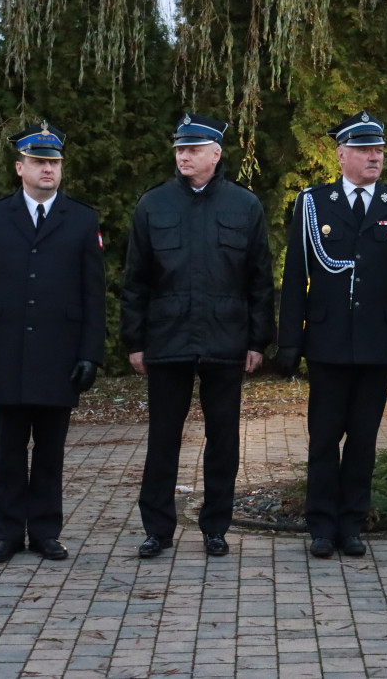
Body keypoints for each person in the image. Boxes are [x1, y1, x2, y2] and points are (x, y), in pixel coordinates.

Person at [121, 113, 274, 558]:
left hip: (226, 339)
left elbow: (259, 279)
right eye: (179, 149)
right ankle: (157, 529)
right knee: (162, 438)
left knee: (223, 439)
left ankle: (215, 527)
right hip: (167, 339)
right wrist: (135, 341)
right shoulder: (153, 204)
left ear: (215, 154)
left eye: (192, 149)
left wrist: (257, 340)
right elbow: (136, 280)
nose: (183, 156)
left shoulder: (244, 205)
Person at [275, 110, 387, 558]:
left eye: (378, 149)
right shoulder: (314, 203)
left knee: (363, 440)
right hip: (328, 341)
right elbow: (295, 275)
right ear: (341, 155)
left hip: (378, 342)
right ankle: (321, 526)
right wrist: (289, 341)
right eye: (363, 150)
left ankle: (352, 524)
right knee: (324, 439)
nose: (374, 157)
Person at [0, 121, 106, 564]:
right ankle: (8, 533)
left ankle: (46, 531)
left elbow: (93, 294)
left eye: (54, 163)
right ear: (19, 167)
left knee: (50, 451)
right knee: (8, 451)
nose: (48, 169)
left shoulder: (81, 218)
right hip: (6, 352)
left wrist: (90, 354)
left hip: (58, 355)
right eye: (39, 162)